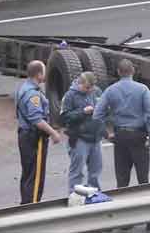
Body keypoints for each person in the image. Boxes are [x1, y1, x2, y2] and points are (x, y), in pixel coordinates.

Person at [93, 59, 150, 230]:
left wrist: (106, 134)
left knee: (122, 181)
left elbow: (97, 116)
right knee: (143, 180)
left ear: (118, 72)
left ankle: (125, 222)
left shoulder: (111, 90)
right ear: (133, 71)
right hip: (139, 137)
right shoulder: (142, 90)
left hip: (120, 137)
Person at [15, 60, 62, 204]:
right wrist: (53, 133)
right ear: (39, 74)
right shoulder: (32, 94)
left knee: (28, 173)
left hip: (25, 134)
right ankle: (32, 206)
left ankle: (26, 203)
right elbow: (36, 119)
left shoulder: (23, 88)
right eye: (44, 71)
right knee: (35, 176)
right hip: (34, 137)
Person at [60, 71, 106, 195]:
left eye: (92, 88)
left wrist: (104, 132)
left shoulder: (96, 92)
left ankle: (94, 195)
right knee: (77, 171)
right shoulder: (70, 95)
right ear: (79, 83)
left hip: (95, 138)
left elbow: (103, 111)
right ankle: (74, 196)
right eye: (87, 88)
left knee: (95, 170)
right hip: (79, 139)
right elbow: (64, 118)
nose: (89, 90)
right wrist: (82, 112)